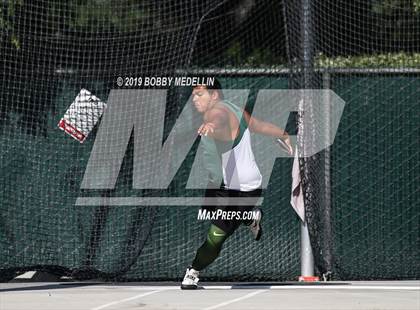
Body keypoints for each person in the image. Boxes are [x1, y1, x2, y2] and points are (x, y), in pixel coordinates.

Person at [181, 79, 292, 289]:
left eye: (199, 94)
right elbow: (259, 126)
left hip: (244, 189)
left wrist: (212, 125)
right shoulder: (235, 108)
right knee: (222, 220)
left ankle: (193, 272)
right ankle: (250, 217)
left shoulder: (218, 113)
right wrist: (283, 135)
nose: (194, 98)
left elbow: (219, 119)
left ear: (214, 96)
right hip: (226, 185)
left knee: (216, 235)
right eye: (193, 94)